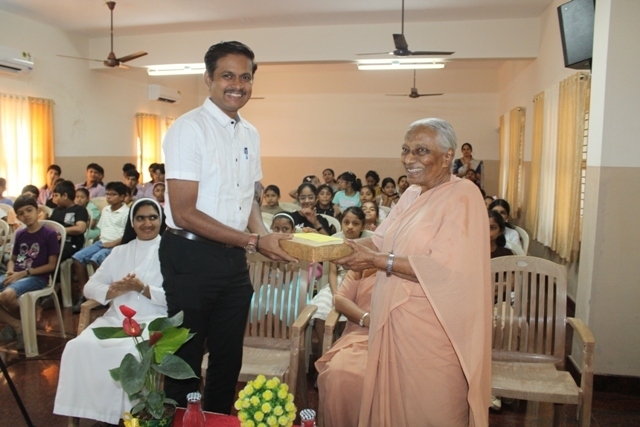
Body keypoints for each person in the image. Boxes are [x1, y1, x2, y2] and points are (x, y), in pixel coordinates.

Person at [159, 40, 295, 413]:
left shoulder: (250, 133)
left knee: (228, 354)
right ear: (208, 78)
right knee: (185, 358)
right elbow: (184, 212)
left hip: (233, 257)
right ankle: (183, 421)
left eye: (245, 77)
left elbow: (248, 199)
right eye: (227, 76)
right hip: (189, 254)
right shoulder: (189, 129)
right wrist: (254, 241)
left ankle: (218, 418)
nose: (237, 85)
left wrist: (263, 235)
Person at [334, 118, 491, 427]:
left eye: (421, 150)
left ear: (447, 156)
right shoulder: (411, 194)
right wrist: (329, 248)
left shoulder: (464, 195)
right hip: (393, 322)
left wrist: (377, 261)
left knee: (434, 410)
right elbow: (379, 241)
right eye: (406, 149)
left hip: (434, 329)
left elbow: (443, 267)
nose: (409, 159)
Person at [54, 198, 168, 426]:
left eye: (152, 217)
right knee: (77, 346)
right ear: (132, 222)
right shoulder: (119, 252)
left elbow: (178, 296)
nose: (147, 223)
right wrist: (113, 290)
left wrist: (142, 288)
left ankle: (130, 416)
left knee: (131, 353)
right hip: (117, 320)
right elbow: (89, 287)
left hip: (153, 321)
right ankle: (89, 410)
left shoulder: (171, 252)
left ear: (161, 220)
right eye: (140, 218)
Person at [315, 269, 376, 427]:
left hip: (403, 337)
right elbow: (340, 299)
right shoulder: (363, 265)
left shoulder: (412, 265)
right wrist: (367, 319)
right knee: (338, 372)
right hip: (363, 334)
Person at [310, 206, 373, 354]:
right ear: (341, 223)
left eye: (355, 223)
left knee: (350, 313)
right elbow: (333, 273)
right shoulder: (337, 243)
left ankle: (342, 351)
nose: (350, 227)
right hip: (338, 282)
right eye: (346, 222)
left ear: (363, 226)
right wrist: (335, 293)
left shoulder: (369, 245)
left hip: (359, 283)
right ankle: (325, 352)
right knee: (320, 310)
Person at [0, 196, 60, 350]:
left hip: (37, 277)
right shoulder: (20, 234)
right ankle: (18, 325)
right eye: (21, 213)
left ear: (37, 211)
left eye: (29, 210)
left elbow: (51, 265)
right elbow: (12, 259)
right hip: (17, 274)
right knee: (6, 294)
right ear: (17, 217)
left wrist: (24, 273)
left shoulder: (49, 234)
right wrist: (10, 270)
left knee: (6, 296)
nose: (26, 215)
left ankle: (23, 323)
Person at [71, 182, 129, 313]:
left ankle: (103, 295)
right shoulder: (106, 210)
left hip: (117, 244)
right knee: (78, 258)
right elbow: (102, 231)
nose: (109, 197)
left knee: (96, 258)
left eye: (113, 194)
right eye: (107, 194)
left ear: (122, 197)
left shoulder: (126, 212)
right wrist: (96, 243)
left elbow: (127, 236)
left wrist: (113, 243)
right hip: (102, 242)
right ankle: (85, 293)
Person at [49, 180, 89, 263]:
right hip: (55, 241)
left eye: (56, 195)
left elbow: (80, 229)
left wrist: (60, 231)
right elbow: (50, 226)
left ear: (65, 196)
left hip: (71, 243)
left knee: (52, 254)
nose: (54, 199)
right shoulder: (56, 210)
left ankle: (54, 271)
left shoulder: (79, 210)